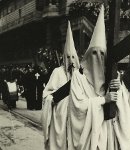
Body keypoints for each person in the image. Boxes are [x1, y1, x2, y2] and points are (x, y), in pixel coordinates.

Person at [67, 5, 130, 150]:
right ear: (88, 56)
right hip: (89, 132)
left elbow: (124, 103)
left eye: (102, 54)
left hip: (107, 128)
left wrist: (119, 89)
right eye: (94, 53)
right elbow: (78, 107)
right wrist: (104, 99)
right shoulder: (79, 77)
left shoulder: (110, 74)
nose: (98, 57)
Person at [41, 21, 80, 150]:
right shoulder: (57, 72)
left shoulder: (80, 75)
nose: (71, 60)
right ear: (64, 58)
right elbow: (46, 94)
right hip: (60, 118)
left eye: (73, 57)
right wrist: (51, 99)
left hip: (76, 118)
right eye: (68, 57)